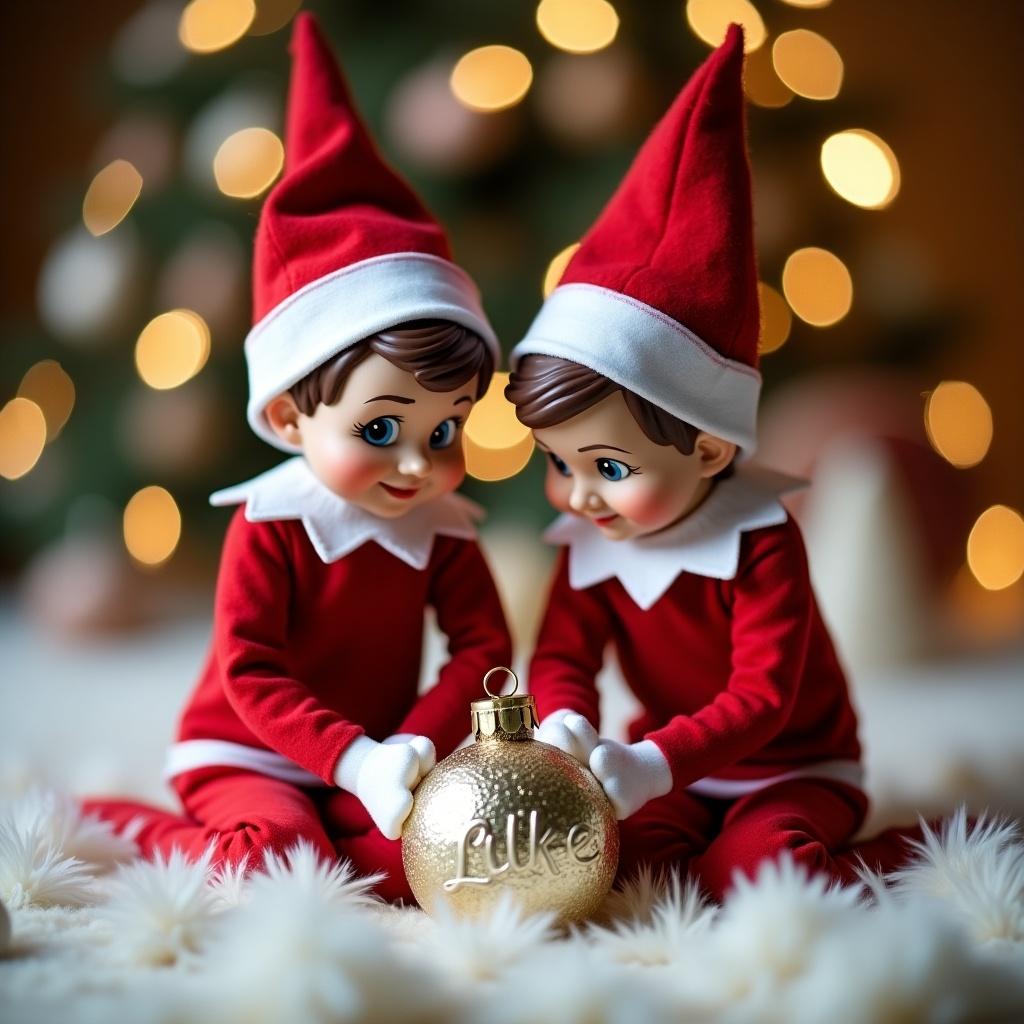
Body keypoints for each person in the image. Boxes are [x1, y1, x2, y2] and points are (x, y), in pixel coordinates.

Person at [84, 14, 511, 904]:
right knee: (276, 860)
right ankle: (131, 821)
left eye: (447, 430)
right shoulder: (272, 523)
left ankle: (344, 818)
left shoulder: (443, 527)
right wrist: (354, 759)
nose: (417, 465)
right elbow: (249, 673)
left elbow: (483, 648)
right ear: (287, 416)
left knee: (423, 868)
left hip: (385, 759)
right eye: (382, 430)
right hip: (253, 749)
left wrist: (416, 748)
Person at [505, 26, 887, 900]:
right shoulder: (588, 538)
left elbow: (763, 697)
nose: (577, 495)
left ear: (710, 447)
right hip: (661, 767)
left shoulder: (758, 538)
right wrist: (569, 720)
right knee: (618, 869)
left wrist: (652, 763)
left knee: (763, 874)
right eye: (558, 463)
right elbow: (565, 646)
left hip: (793, 768)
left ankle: (909, 856)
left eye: (607, 466)